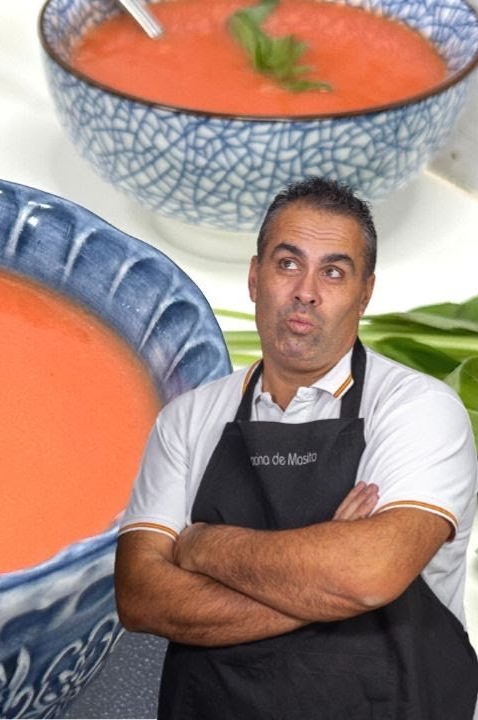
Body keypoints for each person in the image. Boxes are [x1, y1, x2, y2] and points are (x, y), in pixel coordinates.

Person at [115, 177, 478, 720]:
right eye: (288, 264)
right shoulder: (187, 420)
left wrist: (203, 547)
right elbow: (141, 596)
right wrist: (327, 573)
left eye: (334, 271)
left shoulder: (416, 409)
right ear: (255, 278)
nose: (306, 290)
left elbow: (367, 574)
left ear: (365, 293)